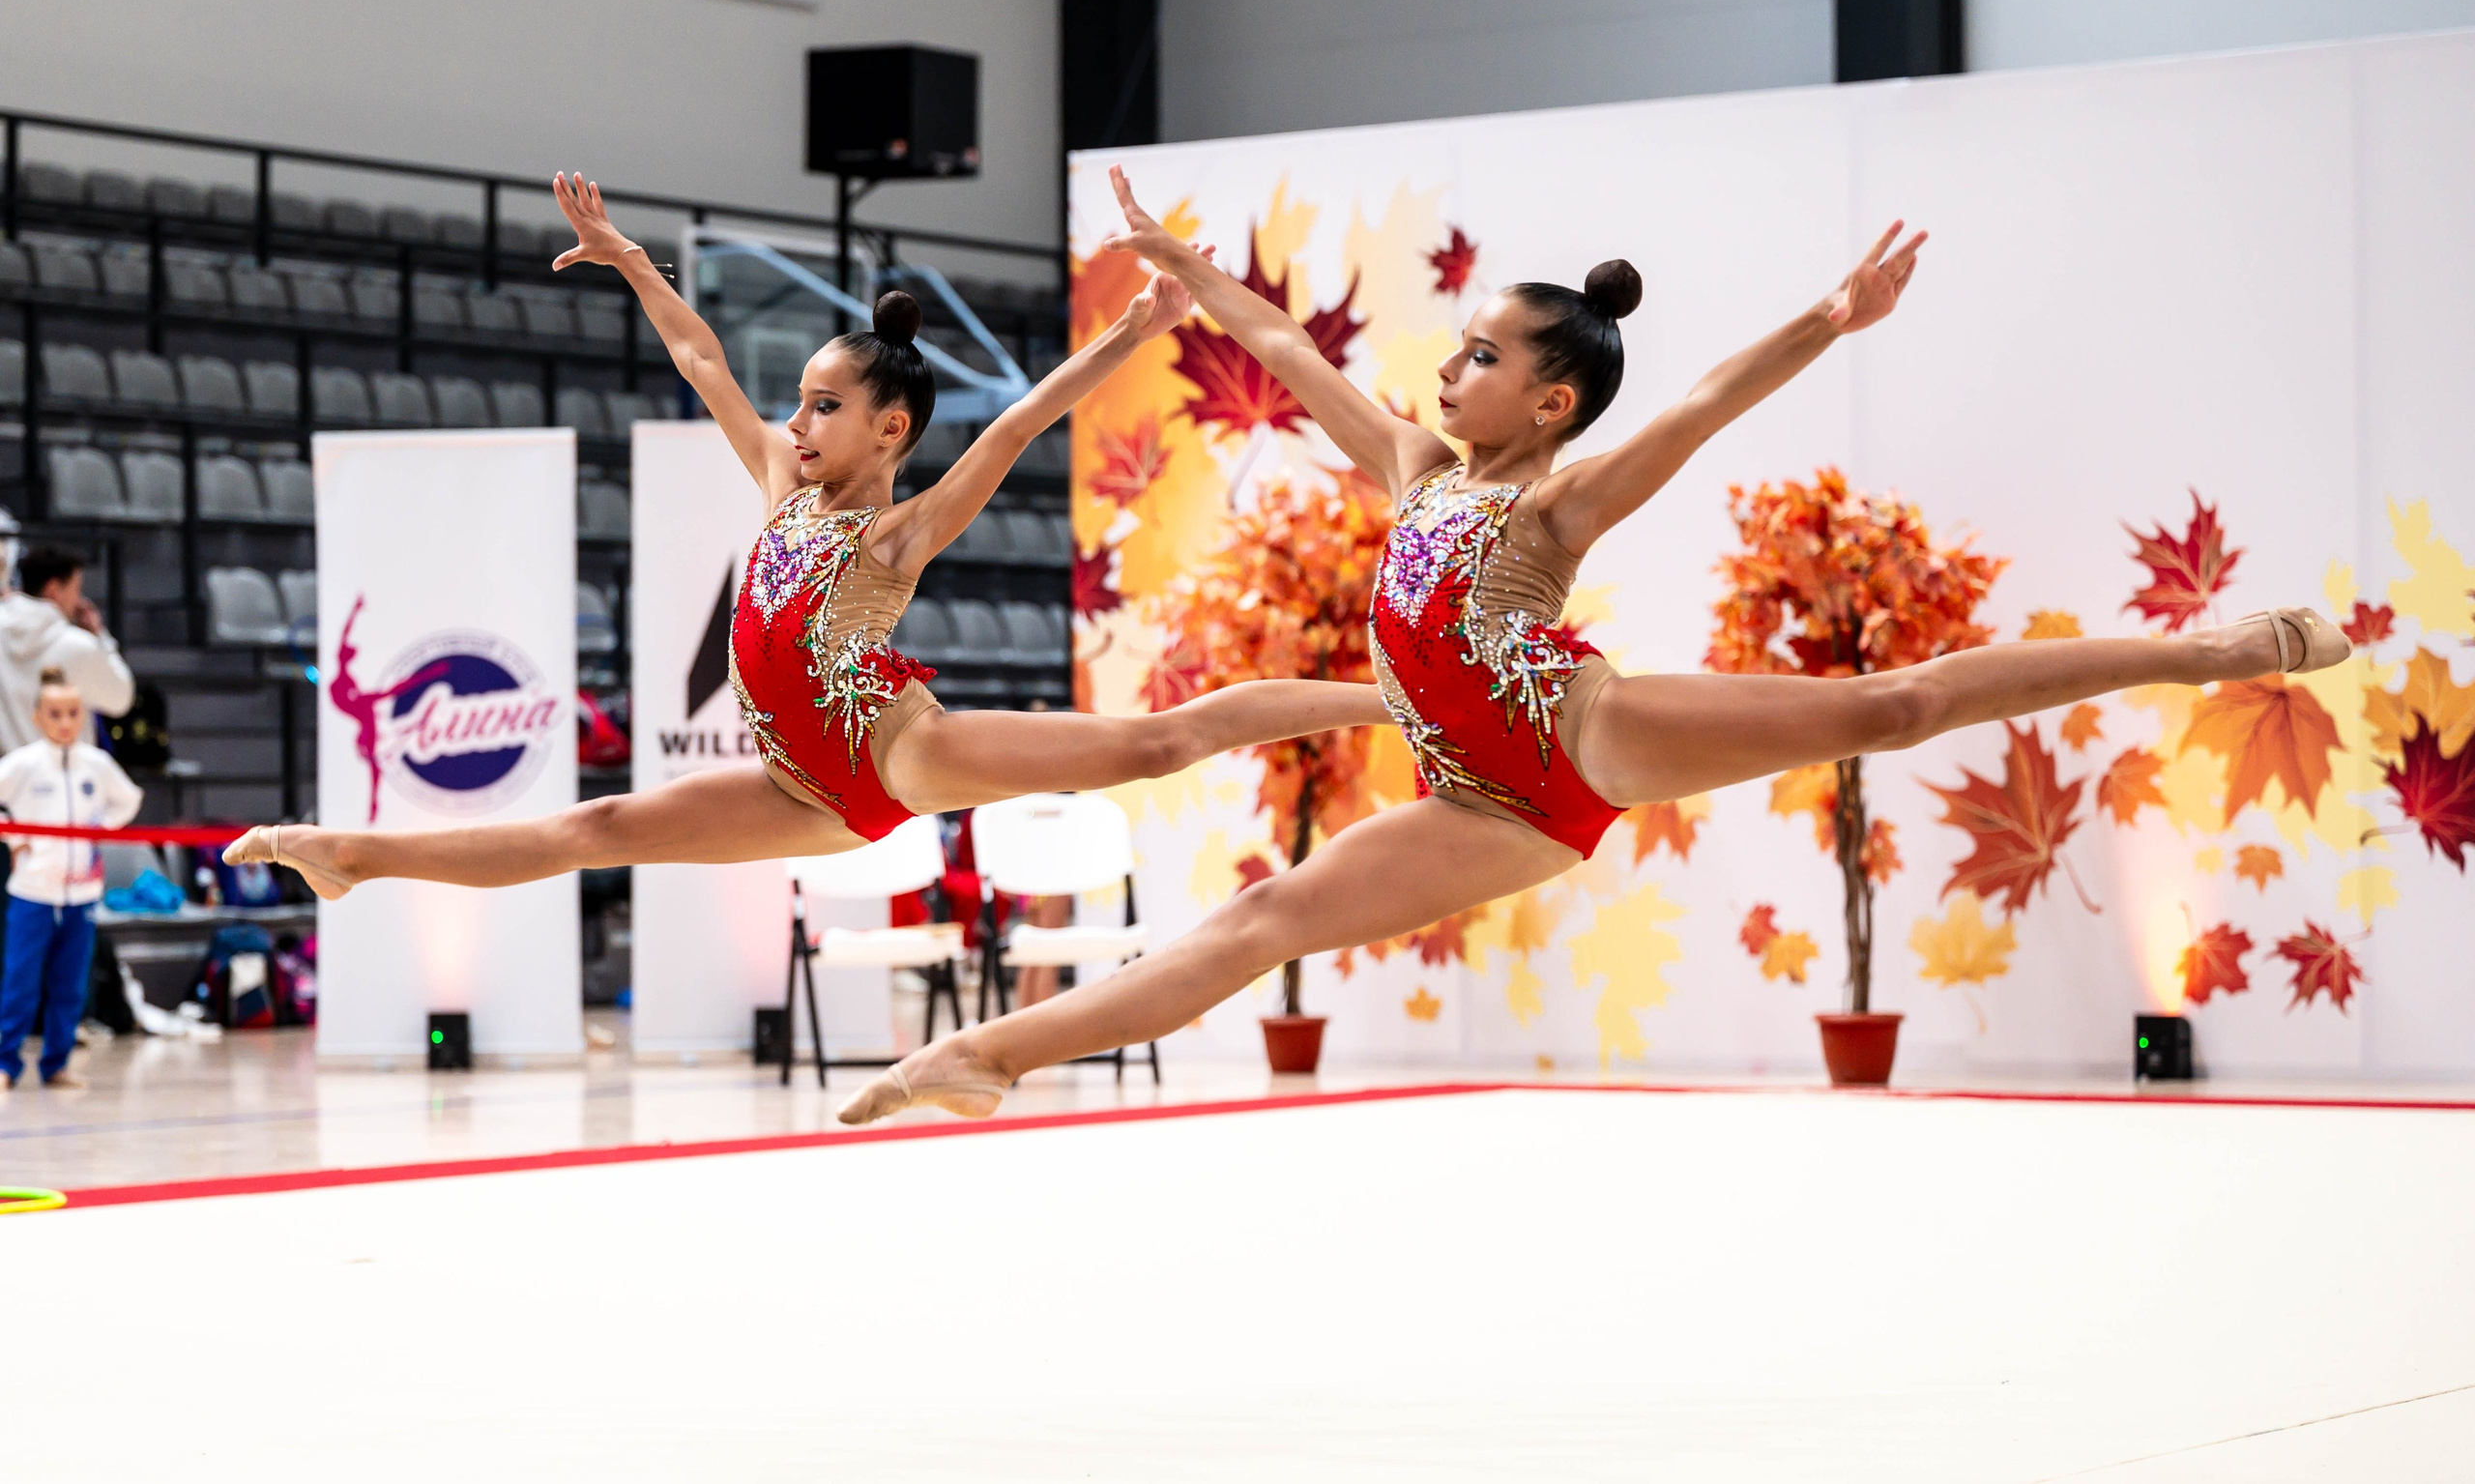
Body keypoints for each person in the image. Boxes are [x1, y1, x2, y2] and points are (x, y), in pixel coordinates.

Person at [830, 167, 2352, 1124]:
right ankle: (989, 1057)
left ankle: (2202, 649)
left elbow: (1694, 411)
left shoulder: (1555, 510)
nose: (1452, 362)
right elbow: (1292, 352)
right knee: (1258, 923)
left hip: (1574, 735)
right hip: (1477, 807)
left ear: (1550, 402)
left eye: (1483, 354)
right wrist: (1188, 264)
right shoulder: (1418, 473)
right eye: (1463, 342)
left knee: (1892, 707)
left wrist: (1829, 317)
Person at [222, 172, 1389, 898]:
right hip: (797, 786)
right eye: (801, 402)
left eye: (824, 407)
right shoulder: (783, 488)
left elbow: (1025, 419)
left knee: (1151, 748)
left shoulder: (900, 533)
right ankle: (351, 856)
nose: (796, 421)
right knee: (597, 827)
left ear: (890, 432)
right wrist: (632, 262)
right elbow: (702, 362)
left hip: (894, 754)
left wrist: (1133, 334)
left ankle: (1393, 700)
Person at [0, 667, 143, 1090]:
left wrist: (101, 827)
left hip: (82, 892)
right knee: (20, 983)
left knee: (70, 986)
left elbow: (129, 800)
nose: (64, 722)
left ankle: (57, 1063)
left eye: (72, 713)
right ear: (38, 717)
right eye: (55, 714)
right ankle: (6, 1064)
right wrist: (15, 839)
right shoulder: (23, 764)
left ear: (82, 716)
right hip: (33, 891)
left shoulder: (96, 765)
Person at [0, 544, 136, 756]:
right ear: (54, 589)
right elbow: (121, 698)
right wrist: (101, 638)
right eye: (76, 588)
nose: (79, 600)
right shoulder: (78, 645)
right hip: (63, 781)